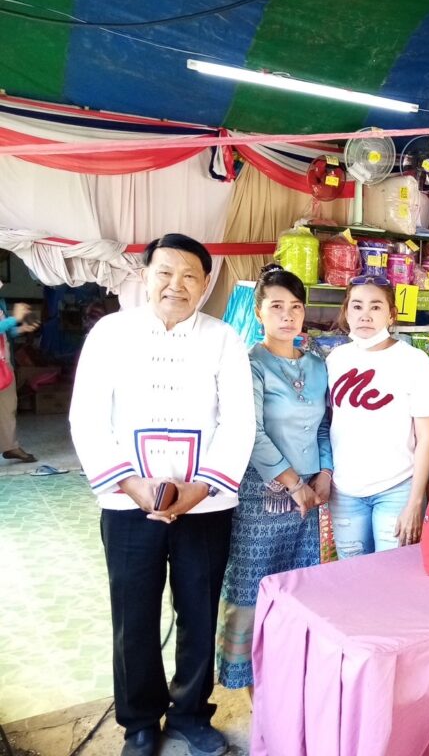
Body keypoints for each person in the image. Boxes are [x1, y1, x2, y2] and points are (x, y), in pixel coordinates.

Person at [69, 234, 255, 756]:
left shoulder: (224, 339)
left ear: (206, 283)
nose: (177, 284)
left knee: (199, 611)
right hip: (126, 503)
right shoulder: (111, 333)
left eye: (190, 275)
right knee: (133, 614)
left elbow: (239, 422)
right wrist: (130, 484)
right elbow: (87, 416)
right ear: (145, 276)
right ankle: (140, 722)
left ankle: (192, 712)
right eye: (165, 273)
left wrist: (201, 487)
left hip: (205, 504)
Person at [217, 265, 332, 697]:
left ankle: (290, 679)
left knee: (300, 584)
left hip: (308, 497)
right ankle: (251, 690)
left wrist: (324, 473)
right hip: (262, 497)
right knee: (254, 586)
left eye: (296, 307)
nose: (287, 316)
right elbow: (251, 432)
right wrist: (294, 483)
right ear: (259, 312)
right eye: (277, 306)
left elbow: (325, 426)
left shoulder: (318, 366)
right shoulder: (249, 365)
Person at [327, 275, 429, 555]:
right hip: (345, 491)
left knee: (392, 575)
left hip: (397, 489)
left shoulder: (414, 361)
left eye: (375, 307)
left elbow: (426, 438)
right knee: (351, 573)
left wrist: (415, 501)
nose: (365, 315)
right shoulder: (335, 359)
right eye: (357, 306)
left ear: (391, 315)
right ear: (346, 312)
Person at [0, 287, 39, 463]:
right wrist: (14, 318)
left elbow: (6, 333)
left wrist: (21, 328)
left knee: (8, 406)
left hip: (3, 364)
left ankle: (10, 446)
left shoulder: (0, 302)